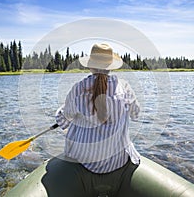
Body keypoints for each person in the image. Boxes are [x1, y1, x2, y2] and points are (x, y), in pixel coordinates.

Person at [43, 43, 141, 197]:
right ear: (111, 67)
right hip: (118, 161)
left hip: (84, 160)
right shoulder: (125, 88)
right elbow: (136, 114)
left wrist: (64, 111)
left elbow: (63, 120)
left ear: (90, 66)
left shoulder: (78, 89)